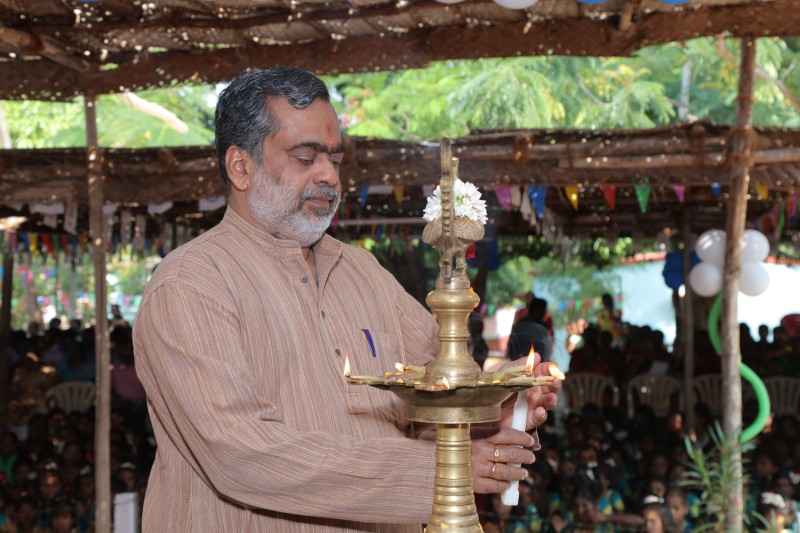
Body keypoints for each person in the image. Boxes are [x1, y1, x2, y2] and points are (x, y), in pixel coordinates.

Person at [133, 66, 560, 532]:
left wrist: (489, 414)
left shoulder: (363, 272)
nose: (328, 177)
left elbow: (430, 402)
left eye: (334, 160)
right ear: (241, 167)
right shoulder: (191, 285)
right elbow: (240, 454)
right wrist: (443, 472)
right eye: (305, 158)